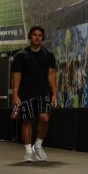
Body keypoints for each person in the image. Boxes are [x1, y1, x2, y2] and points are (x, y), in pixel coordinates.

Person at [11, 26, 57, 163]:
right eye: (35, 35)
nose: (37, 37)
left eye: (40, 35)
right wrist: (15, 94)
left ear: (43, 37)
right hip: (25, 93)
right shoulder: (21, 55)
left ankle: (37, 145)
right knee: (28, 121)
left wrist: (54, 93)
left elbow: (51, 74)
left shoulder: (49, 55)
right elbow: (17, 76)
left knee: (45, 119)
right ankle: (28, 152)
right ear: (30, 36)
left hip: (43, 92)